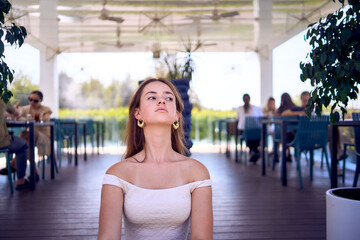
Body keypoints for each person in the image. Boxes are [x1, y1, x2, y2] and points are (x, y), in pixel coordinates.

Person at [98, 78, 213, 240]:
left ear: (177, 116)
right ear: (138, 113)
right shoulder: (117, 174)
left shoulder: (197, 172)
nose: (161, 100)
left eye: (168, 98)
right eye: (152, 97)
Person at [0, 99, 30, 190]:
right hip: (1, 140)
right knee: (23, 144)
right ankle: (20, 180)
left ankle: (11, 165)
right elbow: (16, 113)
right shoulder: (2, 99)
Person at [17, 90, 52, 157]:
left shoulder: (45, 109)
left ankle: (15, 163)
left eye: (35, 101)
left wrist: (42, 118)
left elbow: (46, 119)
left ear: (40, 101)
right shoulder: (25, 109)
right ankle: (32, 164)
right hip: (29, 135)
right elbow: (17, 115)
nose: (32, 102)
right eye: (30, 99)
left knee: (27, 134)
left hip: (43, 136)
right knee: (24, 134)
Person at [236, 93, 263, 163]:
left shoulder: (239, 109)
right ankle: (255, 151)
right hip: (257, 132)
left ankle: (253, 152)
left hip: (246, 133)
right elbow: (261, 117)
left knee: (247, 136)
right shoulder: (255, 108)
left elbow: (238, 119)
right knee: (255, 136)